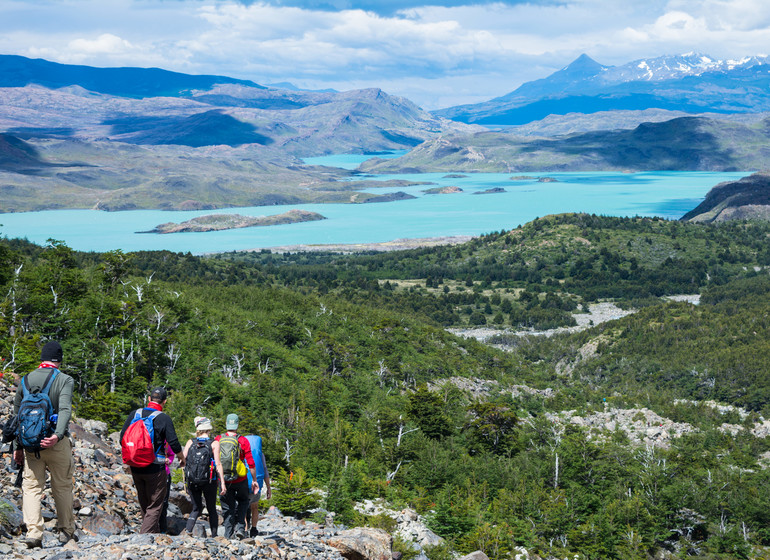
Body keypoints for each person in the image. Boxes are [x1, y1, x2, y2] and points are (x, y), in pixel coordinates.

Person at [13, 340, 76, 548]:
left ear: (42, 358)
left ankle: (34, 534)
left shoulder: (25, 380)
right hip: (56, 444)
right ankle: (66, 531)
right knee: (62, 486)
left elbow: (16, 418)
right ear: (59, 359)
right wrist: (57, 435)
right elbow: (65, 409)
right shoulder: (64, 379)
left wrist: (18, 447)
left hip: (31, 445)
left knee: (31, 487)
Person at [119, 386, 185, 534]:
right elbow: (173, 443)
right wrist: (182, 458)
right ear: (165, 401)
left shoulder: (134, 414)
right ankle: (145, 537)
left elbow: (122, 438)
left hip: (135, 466)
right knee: (155, 505)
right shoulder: (163, 418)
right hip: (155, 467)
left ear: (149, 399)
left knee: (144, 502)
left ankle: (151, 534)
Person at [212, 413, 258, 539]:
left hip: (224, 479)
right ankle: (240, 527)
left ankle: (228, 534)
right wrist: (254, 479)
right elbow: (251, 462)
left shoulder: (218, 439)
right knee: (243, 501)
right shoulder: (243, 440)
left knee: (227, 506)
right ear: (237, 425)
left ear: (226, 424)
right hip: (240, 478)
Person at [182, 416, 221, 537]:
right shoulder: (214, 443)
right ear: (209, 429)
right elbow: (218, 464)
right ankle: (214, 536)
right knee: (211, 509)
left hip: (193, 480)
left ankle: (188, 531)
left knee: (196, 508)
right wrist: (223, 483)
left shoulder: (190, 442)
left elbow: (182, 460)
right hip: (209, 480)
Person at [244, 433, 271, 537]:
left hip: (244, 482)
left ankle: (245, 529)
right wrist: (268, 487)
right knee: (254, 507)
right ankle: (254, 529)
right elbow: (265, 470)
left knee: (243, 506)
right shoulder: (260, 454)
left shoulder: (242, 452)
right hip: (257, 483)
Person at [159, 442, 175, 534]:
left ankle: (162, 528)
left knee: (164, 502)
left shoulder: (167, 443)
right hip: (158, 472)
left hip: (164, 472)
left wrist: (169, 460)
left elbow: (171, 454)